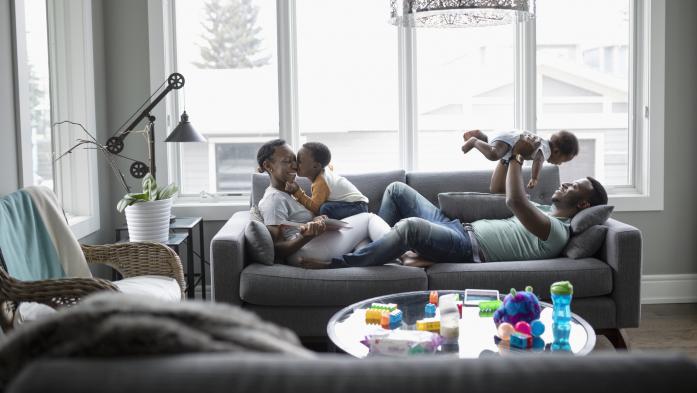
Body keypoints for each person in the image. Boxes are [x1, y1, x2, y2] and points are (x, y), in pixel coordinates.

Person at [301, 134, 607, 269]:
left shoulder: (556, 230)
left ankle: (342, 264)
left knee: (410, 227)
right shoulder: (543, 211)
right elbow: (497, 188)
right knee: (396, 189)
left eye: (574, 186)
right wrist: (506, 154)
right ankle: (387, 252)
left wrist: (517, 156)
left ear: (582, 205)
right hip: (458, 229)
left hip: (466, 249)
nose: (565, 182)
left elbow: (514, 201)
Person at [255, 139, 390, 267]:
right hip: (305, 250)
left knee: (364, 242)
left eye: (295, 160)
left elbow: (295, 222)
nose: (295, 166)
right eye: (287, 161)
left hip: (313, 245)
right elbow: (277, 248)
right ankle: (404, 253)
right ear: (268, 165)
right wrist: (305, 237)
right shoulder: (273, 199)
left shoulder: (286, 192)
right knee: (369, 219)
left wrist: (316, 219)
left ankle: (390, 259)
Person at [461, 129, 579, 189]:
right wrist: (534, 178)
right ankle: (474, 141)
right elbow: (538, 160)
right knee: (493, 154)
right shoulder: (545, 149)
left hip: (508, 141)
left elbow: (496, 189)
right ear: (557, 151)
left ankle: (482, 137)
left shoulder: (542, 143)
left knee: (495, 151)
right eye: (562, 161)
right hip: (510, 140)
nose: (560, 164)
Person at [285, 142, 369, 220]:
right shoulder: (323, 170)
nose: (295, 164)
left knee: (325, 208)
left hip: (357, 207)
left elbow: (314, 208)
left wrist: (297, 191)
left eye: (299, 161)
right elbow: (329, 166)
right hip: (354, 205)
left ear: (316, 166)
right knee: (325, 206)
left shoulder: (321, 182)